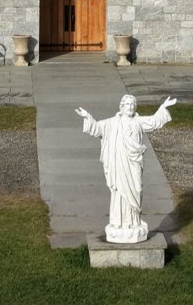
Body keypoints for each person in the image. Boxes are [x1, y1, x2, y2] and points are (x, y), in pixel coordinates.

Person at [75, 94, 176, 243]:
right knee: (119, 193)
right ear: (121, 107)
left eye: (132, 104)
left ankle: (134, 221)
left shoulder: (138, 122)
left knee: (137, 188)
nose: (130, 107)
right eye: (127, 104)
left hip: (134, 163)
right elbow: (97, 128)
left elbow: (153, 121)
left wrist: (163, 108)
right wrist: (87, 116)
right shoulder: (112, 123)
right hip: (118, 165)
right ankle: (119, 222)